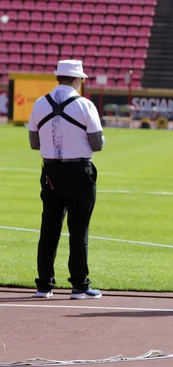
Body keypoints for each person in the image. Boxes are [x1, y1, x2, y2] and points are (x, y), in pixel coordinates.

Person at [28, 59, 105, 300]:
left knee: (48, 229)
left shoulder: (40, 103)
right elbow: (98, 144)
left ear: (58, 78)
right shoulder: (85, 105)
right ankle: (80, 286)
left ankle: (44, 285)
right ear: (78, 80)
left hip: (50, 171)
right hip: (79, 171)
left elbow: (34, 143)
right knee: (78, 230)